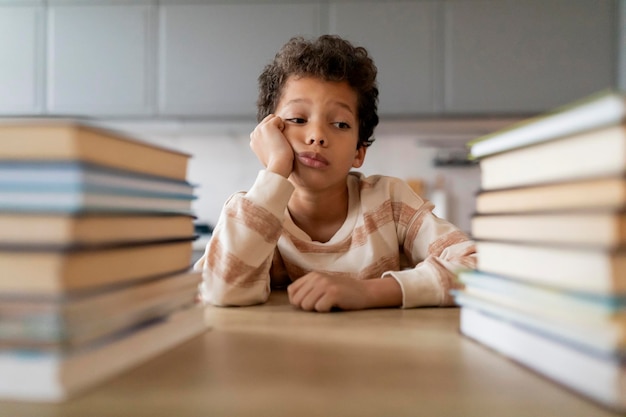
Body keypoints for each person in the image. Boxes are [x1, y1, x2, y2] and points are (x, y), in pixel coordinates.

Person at [194, 35, 476, 312]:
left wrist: (369, 291)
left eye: (340, 124)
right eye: (297, 120)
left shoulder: (390, 203)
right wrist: (277, 166)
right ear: (269, 132)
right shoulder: (255, 214)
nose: (317, 136)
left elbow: (476, 268)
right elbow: (218, 290)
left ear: (358, 152)